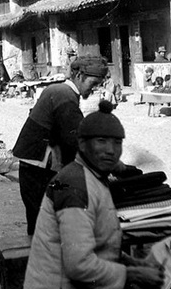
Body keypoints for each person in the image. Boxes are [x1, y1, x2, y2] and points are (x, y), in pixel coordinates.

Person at [17, 103, 165, 289]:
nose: (110, 150)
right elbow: (78, 265)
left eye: (117, 143)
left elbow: (93, 239)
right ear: (83, 144)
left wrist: (129, 261)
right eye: (101, 141)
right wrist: (133, 274)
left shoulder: (89, 175)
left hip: (70, 286)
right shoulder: (75, 185)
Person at [12, 54, 109, 236]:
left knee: (40, 217)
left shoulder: (59, 91)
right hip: (38, 167)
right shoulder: (64, 96)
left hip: (36, 163)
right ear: (79, 76)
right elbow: (75, 138)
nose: (94, 89)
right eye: (93, 83)